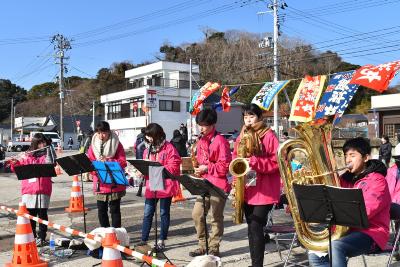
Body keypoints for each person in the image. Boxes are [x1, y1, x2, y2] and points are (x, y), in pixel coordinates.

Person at [308, 137, 391, 267]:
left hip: (372, 233)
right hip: (346, 230)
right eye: (346, 155)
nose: (348, 160)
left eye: (352, 155)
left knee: (336, 246)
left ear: (366, 158)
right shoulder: (344, 179)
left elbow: (367, 210)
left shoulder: (377, 180)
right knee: (314, 250)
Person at [232, 103, 280, 267]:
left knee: (255, 225)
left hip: (265, 190)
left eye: (251, 116)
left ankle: (257, 264)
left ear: (259, 117)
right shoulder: (242, 134)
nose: (248, 120)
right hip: (247, 187)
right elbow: (235, 158)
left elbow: (277, 162)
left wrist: (253, 161)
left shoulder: (269, 136)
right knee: (251, 227)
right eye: (246, 117)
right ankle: (255, 262)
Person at [189, 108, 232, 257]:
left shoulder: (221, 141)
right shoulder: (201, 140)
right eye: (199, 124)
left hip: (218, 184)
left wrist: (207, 167)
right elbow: (200, 161)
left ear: (212, 124)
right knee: (197, 214)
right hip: (204, 183)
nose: (200, 128)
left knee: (216, 217)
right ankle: (202, 245)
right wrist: (197, 168)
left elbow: (225, 167)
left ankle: (213, 247)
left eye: (203, 125)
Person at [136, 123, 181, 251]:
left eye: (151, 136)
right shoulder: (147, 150)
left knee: (163, 213)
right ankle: (143, 239)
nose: (149, 139)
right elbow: (145, 165)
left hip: (166, 184)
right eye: (147, 136)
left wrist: (157, 169)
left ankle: (161, 239)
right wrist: (141, 171)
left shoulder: (169, 147)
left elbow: (174, 165)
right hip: (152, 185)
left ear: (157, 135)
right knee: (148, 213)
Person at [10, 133, 56, 246]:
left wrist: (49, 150)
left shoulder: (47, 154)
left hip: (43, 188)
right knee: (30, 215)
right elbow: (16, 169)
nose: (42, 144)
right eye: (40, 143)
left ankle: (42, 237)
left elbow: (51, 164)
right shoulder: (27, 156)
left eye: (44, 142)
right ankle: (32, 237)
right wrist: (15, 162)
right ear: (34, 144)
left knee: (42, 215)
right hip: (29, 190)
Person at [87, 121, 127, 228]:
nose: (101, 136)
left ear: (109, 132)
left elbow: (123, 162)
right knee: (101, 210)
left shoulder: (117, 143)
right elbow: (90, 162)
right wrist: (94, 169)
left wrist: (108, 160)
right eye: (99, 133)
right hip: (100, 182)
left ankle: (116, 233)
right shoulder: (92, 145)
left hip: (114, 182)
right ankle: (105, 233)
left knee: (115, 210)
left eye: (104, 133)